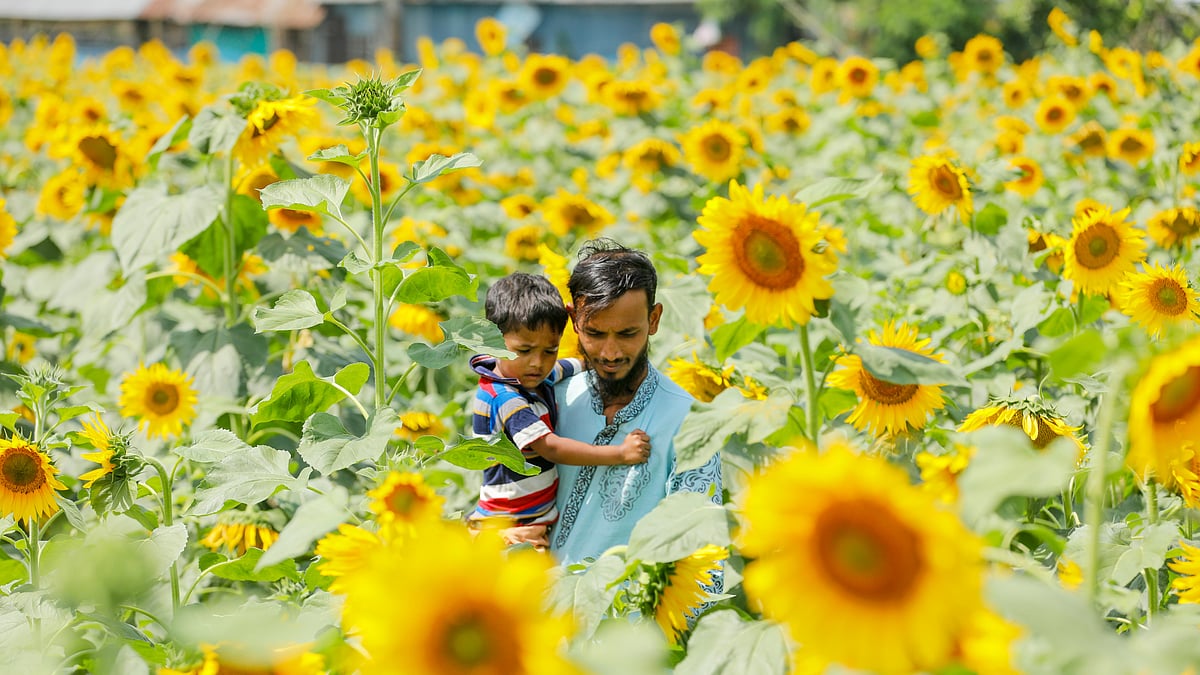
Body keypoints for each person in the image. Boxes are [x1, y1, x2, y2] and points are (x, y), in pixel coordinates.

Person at [550, 239, 723, 565]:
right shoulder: (550, 399)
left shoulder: (689, 421)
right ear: (573, 320)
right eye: (596, 334)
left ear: (654, 319)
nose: (611, 353)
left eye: (628, 334)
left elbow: (703, 559)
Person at [469, 271, 652, 549]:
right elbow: (550, 447)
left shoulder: (529, 378)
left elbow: (573, 365)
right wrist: (620, 453)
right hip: (510, 529)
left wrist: (590, 343)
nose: (537, 363)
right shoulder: (504, 397)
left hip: (528, 521)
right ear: (490, 340)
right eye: (524, 350)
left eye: (549, 350)